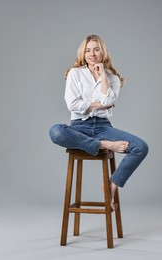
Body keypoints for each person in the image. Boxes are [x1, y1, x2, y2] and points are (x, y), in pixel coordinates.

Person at [49, 34, 148, 210]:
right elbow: (72, 105)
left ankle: (112, 185)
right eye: (87, 50)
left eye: (96, 49)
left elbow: (108, 103)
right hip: (79, 127)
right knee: (56, 131)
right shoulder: (75, 74)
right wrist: (99, 104)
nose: (92, 54)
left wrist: (103, 75)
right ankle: (103, 144)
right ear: (82, 53)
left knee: (141, 147)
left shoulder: (113, 78)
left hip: (103, 126)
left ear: (103, 52)